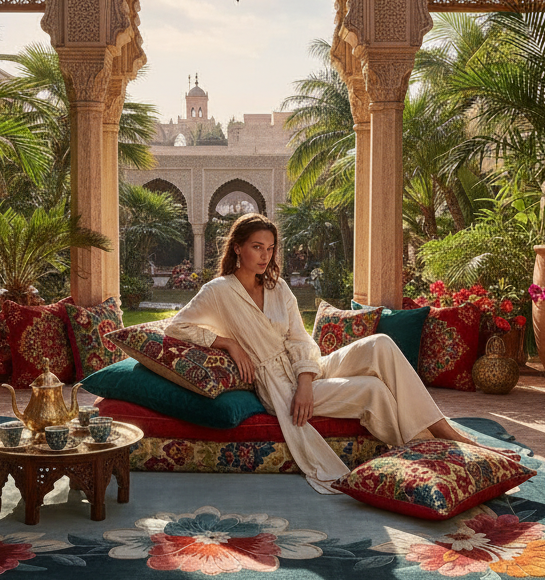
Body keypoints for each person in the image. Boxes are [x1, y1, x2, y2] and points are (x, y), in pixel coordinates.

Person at [164, 212, 481, 494]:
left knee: (380, 344)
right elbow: (177, 328)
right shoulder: (218, 292)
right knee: (373, 390)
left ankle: (441, 430)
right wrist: (228, 343)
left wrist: (306, 382)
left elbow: (300, 340)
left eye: (270, 247)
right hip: (277, 386)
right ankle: (427, 446)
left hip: (306, 370)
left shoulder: (278, 288)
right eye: (257, 247)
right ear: (238, 248)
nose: (265, 255)